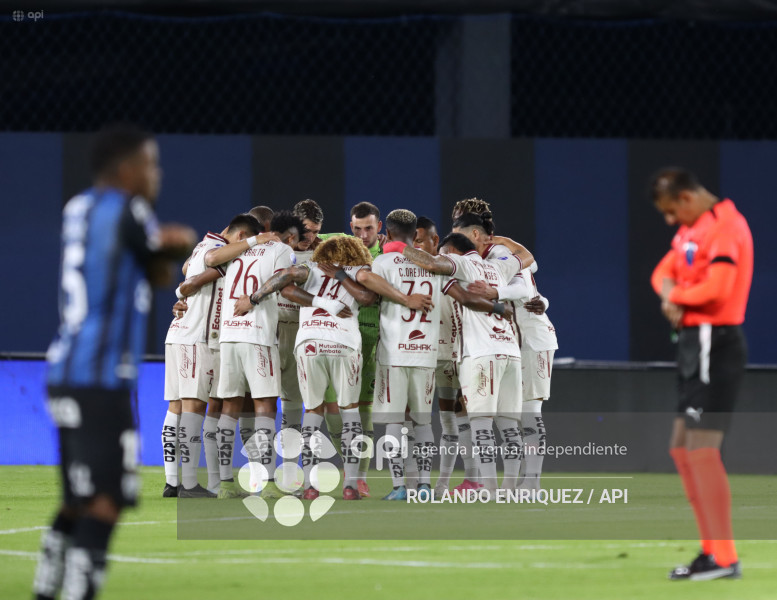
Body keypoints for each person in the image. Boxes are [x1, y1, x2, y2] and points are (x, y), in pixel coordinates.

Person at [35, 124, 197, 600]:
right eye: (150, 163)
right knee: (105, 502)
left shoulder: (80, 207)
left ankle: (47, 587)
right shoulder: (131, 209)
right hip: (101, 377)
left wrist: (163, 250)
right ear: (127, 170)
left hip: (65, 371)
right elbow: (164, 260)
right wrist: (179, 241)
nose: (156, 174)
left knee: (77, 499)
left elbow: (151, 268)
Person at [651, 167, 752, 581]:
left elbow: (719, 289)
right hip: (695, 344)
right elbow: (661, 273)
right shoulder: (694, 230)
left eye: (672, 211)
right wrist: (672, 294)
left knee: (701, 450)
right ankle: (713, 552)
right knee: (682, 448)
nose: (670, 221)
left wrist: (677, 298)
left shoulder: (725, 227)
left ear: (688, 198)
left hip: (715, 342)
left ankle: (723, 557)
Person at [402, 233, 522, 493]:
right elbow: (526, 257)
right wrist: (504, 241)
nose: (441, 257)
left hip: (480, 352)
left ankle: (488, 489)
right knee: (510, 426)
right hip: (510, 350)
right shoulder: (498, 267)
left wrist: (401, 246)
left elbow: (434, 266)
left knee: (480, 425)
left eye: (444, 253)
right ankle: (509, 488)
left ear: (452, 250)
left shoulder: (462, 266)